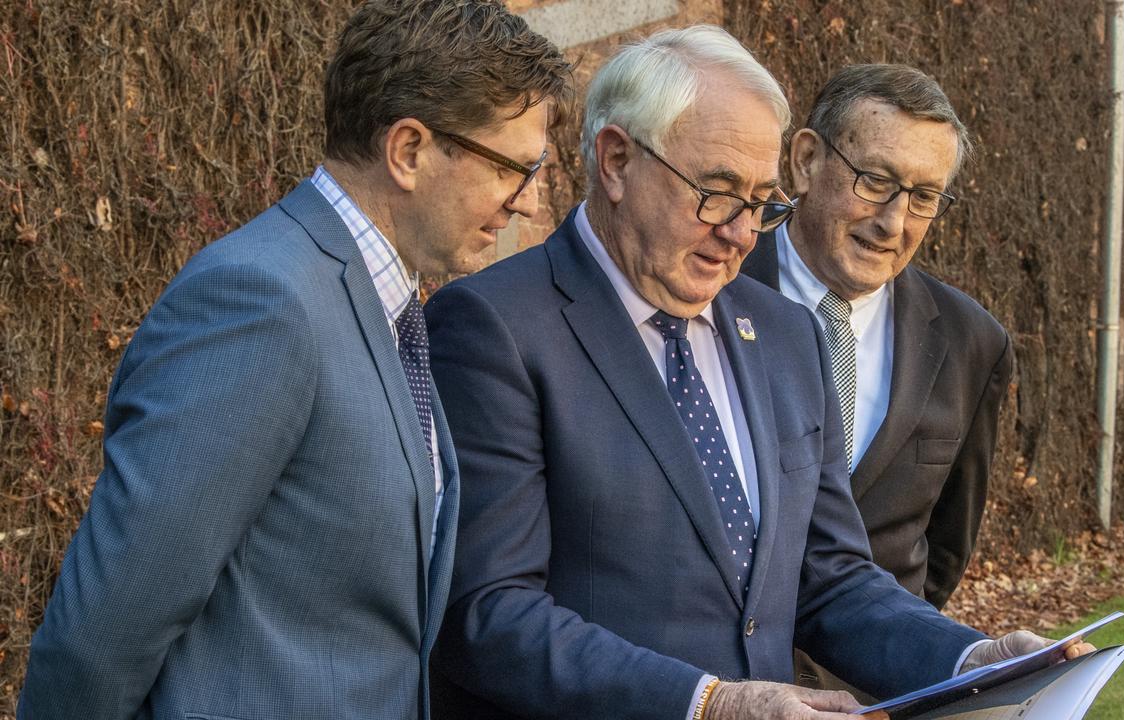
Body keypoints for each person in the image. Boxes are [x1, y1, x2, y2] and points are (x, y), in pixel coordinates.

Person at [425, 26, 1081, 720]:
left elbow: (829, 579)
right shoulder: (494, 327)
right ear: (616, 161)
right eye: (716, 192)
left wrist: (966, 661)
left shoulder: (786, 333)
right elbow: (487, 614)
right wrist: (706, 705)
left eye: (762, 200)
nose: (742, 231)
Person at [17, 2, 569, 718]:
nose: (526, 204)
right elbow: (105, 628)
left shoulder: (388, 302)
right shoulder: (260, 302)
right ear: (408, 151)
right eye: (513, 170)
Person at [741, 65, 1011, 614]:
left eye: (924, 196)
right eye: (876, 182)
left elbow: (943, 555)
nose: (894, 222)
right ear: (806, 162)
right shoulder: (715, 288)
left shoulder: (972, 343)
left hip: (874, 690)